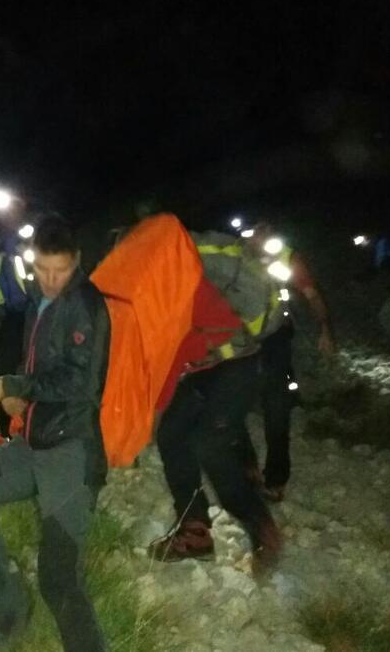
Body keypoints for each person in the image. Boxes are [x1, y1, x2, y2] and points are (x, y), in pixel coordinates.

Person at [0, 216, 111, 651]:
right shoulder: (37, 295)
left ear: (77, 262)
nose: (52, 280)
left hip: (71, 451)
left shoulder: (86, 306)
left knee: (59, 578)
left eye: (61, 270)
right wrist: (22, 397)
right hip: (35, 441)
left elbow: (82, 383)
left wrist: (18, 387)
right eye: (43, 269)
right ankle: (9, 599)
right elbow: (38, 359)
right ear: (33, 261)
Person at [148, 227, 283, 568]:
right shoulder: (159, 289)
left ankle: (263, 533)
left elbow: (181, 348)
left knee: (210, 445)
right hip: (204, 368)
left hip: (237, 365)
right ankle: (194, 531)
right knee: (172, 435)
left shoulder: (183, 279)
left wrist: (153, 408)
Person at [240, 223, 335, 502]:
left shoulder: (287, 258)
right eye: (253, 232)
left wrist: (325, 329)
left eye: (263, 231)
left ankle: (276, 477)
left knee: (275, 405)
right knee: (232, 401)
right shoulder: (236, 254)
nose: (257, 237)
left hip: (276, 335)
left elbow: (311, 294)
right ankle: (246, 467)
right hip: (240, 337)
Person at [0, 218, 33, 436]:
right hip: (13, 316)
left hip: (33, 316)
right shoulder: (5, 243)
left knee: (30, 374)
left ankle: (27, 432)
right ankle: (6, 434)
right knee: (6, 373)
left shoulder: (35, 235)